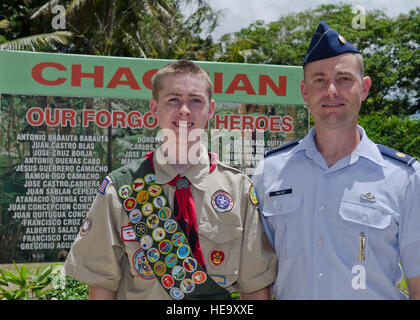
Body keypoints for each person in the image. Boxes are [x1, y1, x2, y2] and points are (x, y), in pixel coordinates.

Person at [64, 60, 276, 300]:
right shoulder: (121, 189)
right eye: (173, 99)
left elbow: (255, 287)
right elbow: (102, 287)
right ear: (154, 108)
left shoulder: (237, 189)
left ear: (211, 109)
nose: (184, 109)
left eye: (195, 100)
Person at [253, 21, 420, 299]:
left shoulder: (404, 178)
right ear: (305, 92)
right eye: (319, 80)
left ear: (364, 88)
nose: (331, 90)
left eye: (344, 79)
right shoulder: (269, 172)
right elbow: (257, 280)